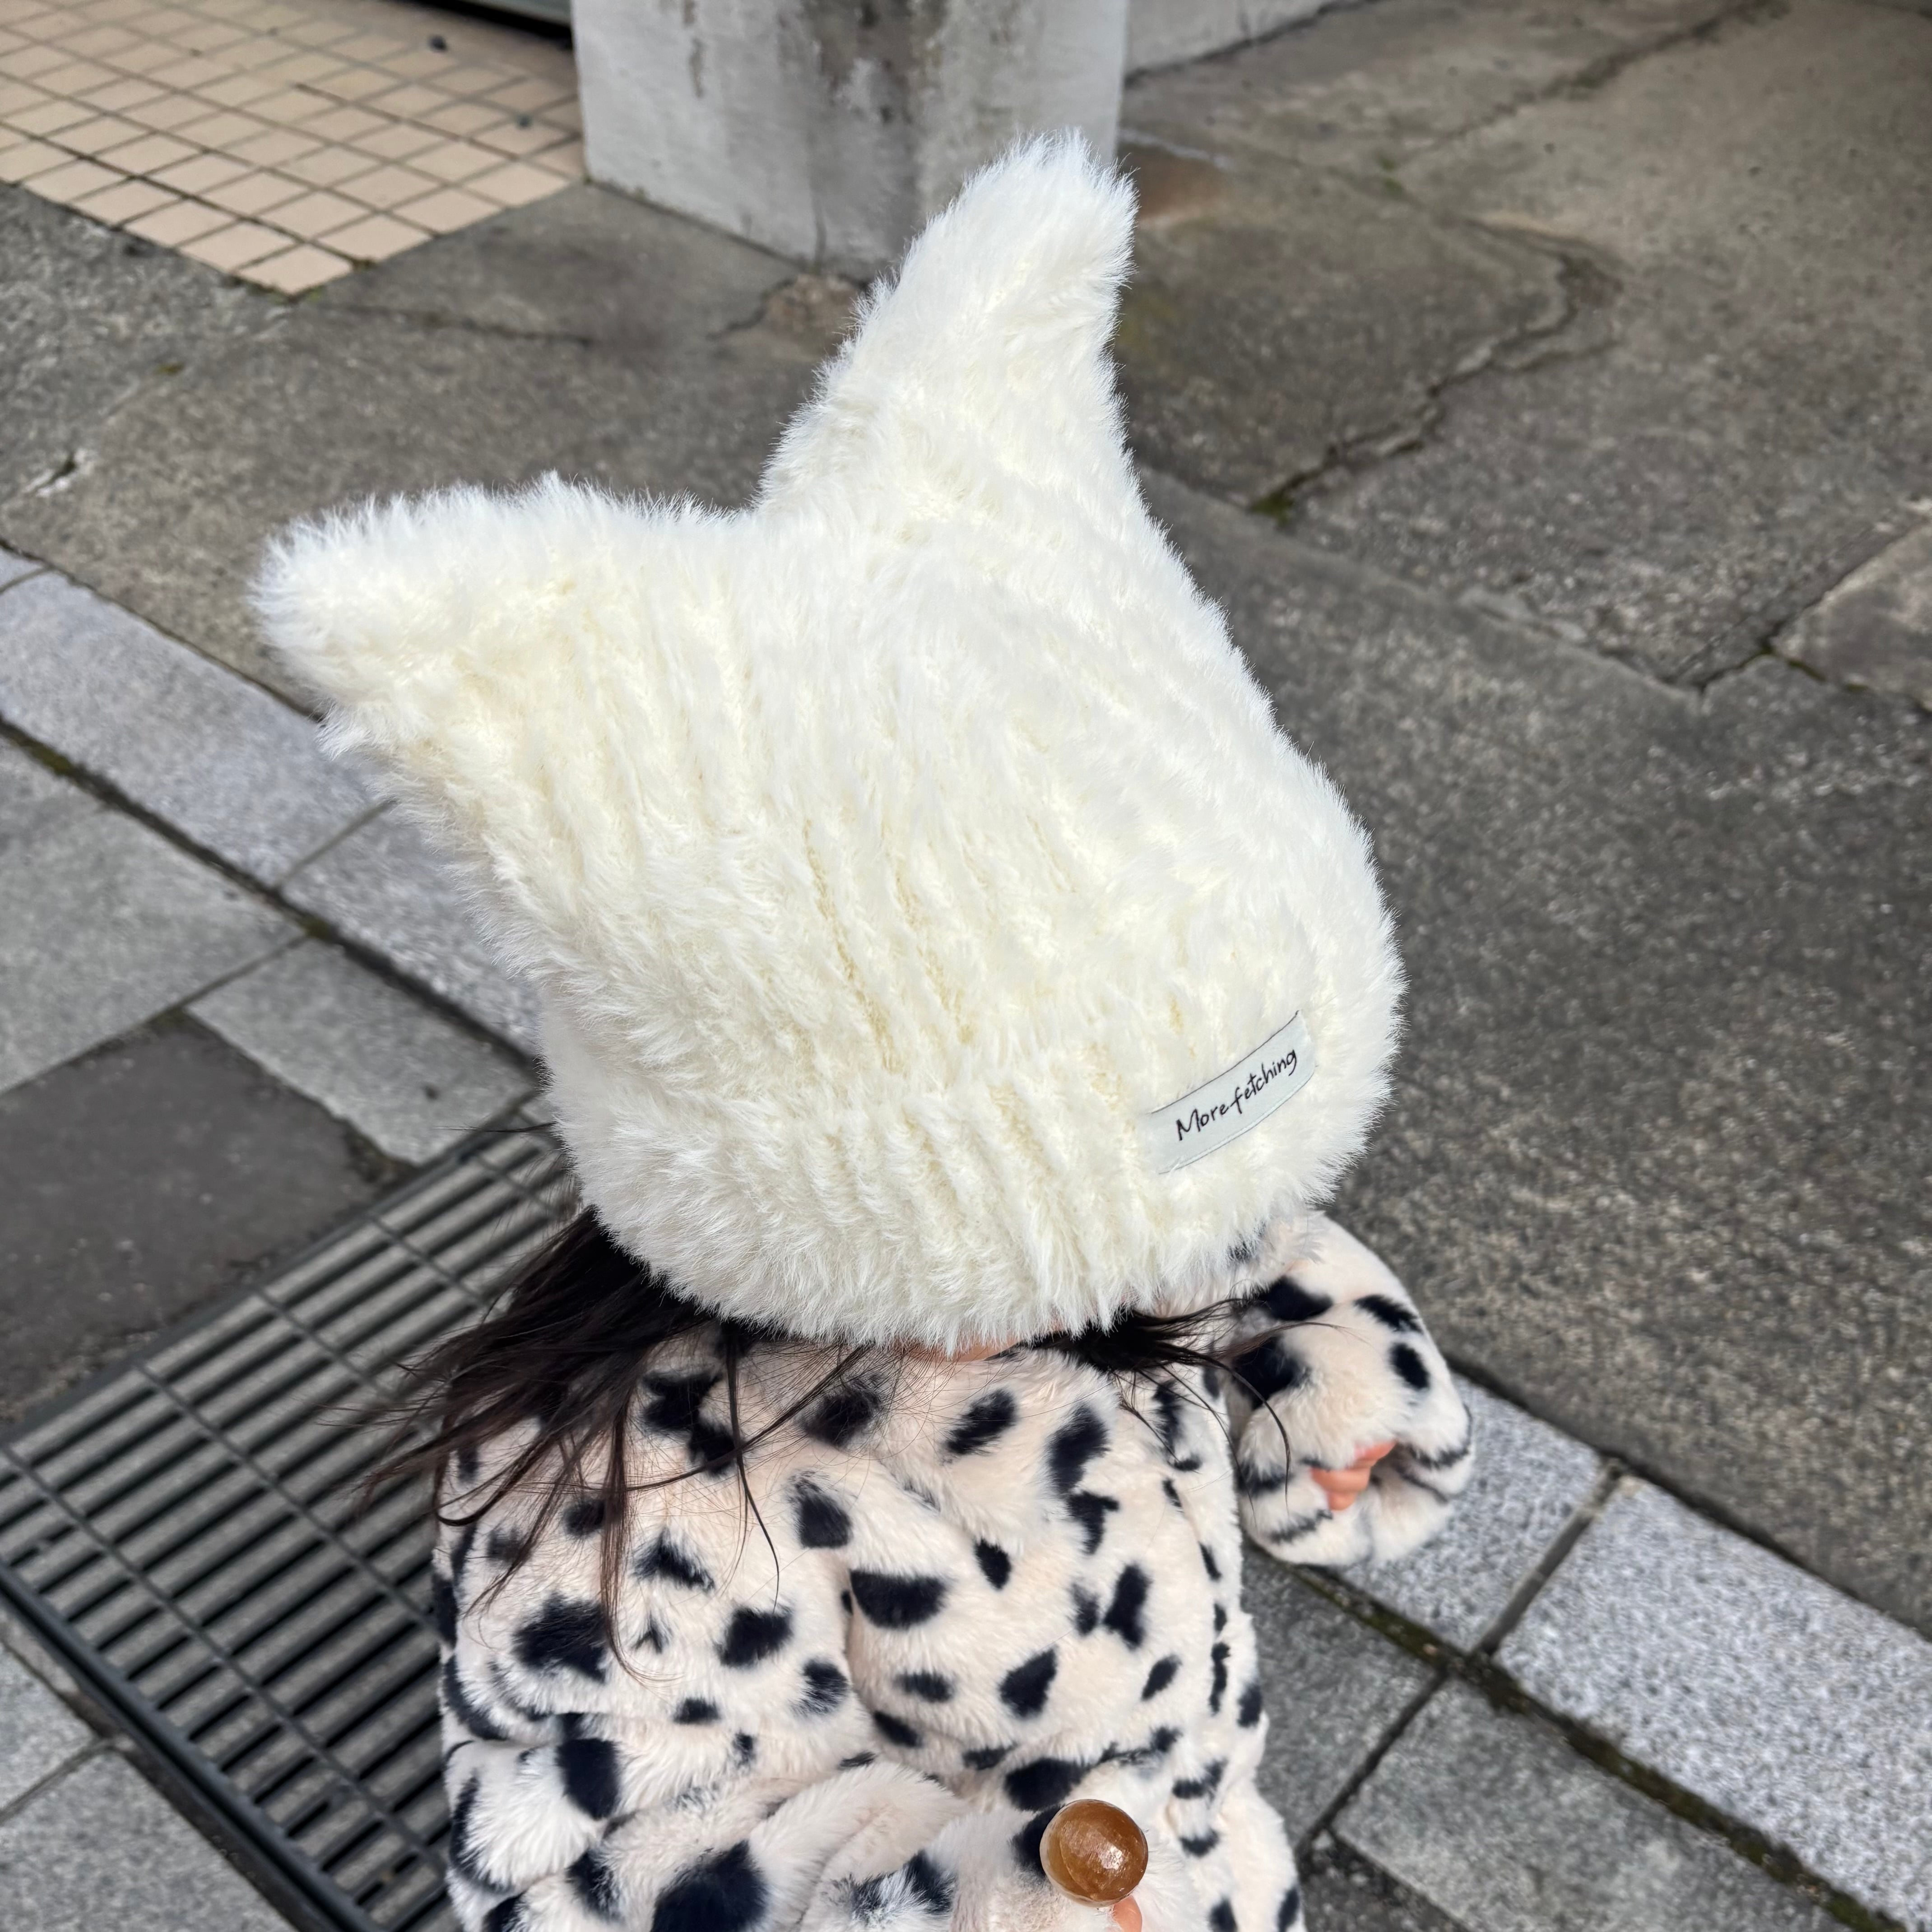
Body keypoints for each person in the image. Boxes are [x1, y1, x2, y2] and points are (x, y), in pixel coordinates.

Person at [258, 136, 1472, 1932]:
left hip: (1201, 1824)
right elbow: (585, 1864)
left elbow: (1253, 1250)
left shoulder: (1128, 1218)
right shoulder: (656, 1491)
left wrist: (1329, 1381)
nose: (1155, 1268)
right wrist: (991, 1885)